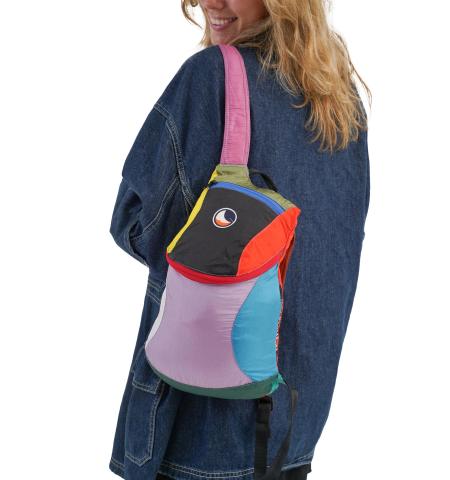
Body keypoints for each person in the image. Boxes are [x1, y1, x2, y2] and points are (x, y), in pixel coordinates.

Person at [108, 1, 371, 479]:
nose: (211, 2)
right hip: (293, 428)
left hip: (200, 425)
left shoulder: (211, 76)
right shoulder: (338, 97)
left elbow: (133, 221)